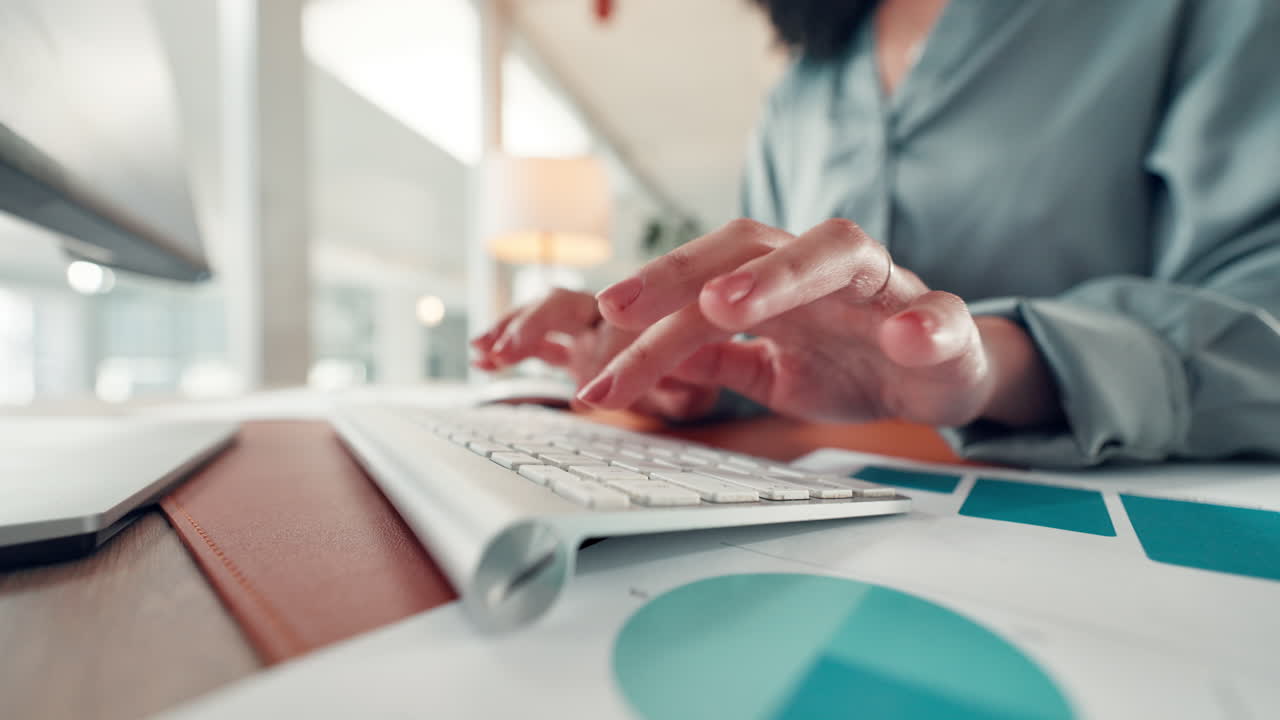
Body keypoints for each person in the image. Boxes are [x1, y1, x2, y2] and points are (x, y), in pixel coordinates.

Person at [472, 0, 1280, 468]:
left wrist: (999, 362)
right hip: (812, 515)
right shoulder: (800, 90)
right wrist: (680, 366)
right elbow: (776, 340)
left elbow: (1262, 326)